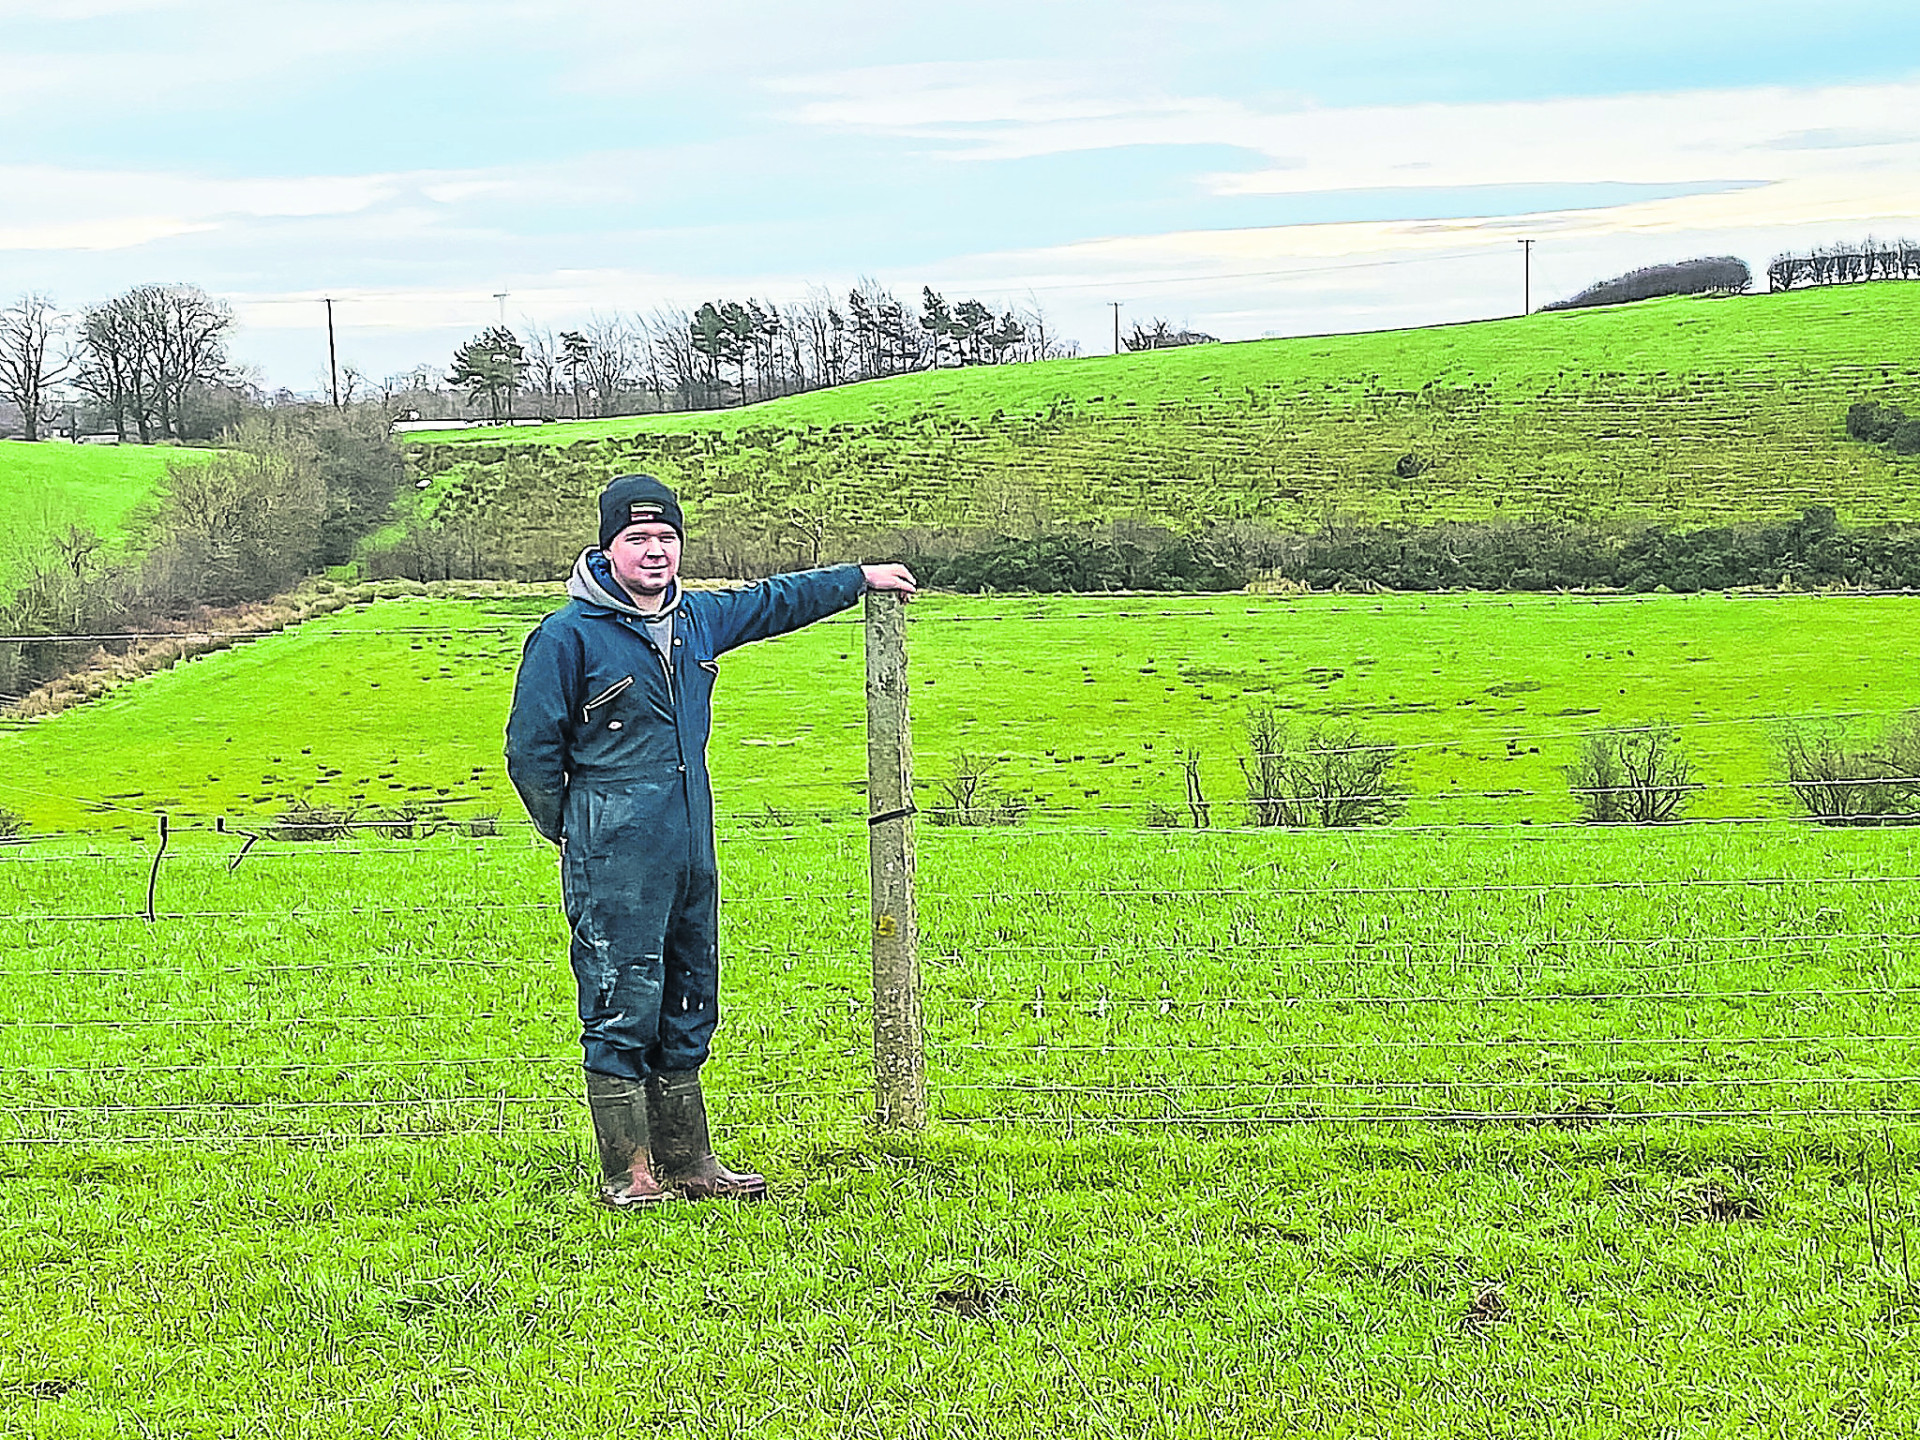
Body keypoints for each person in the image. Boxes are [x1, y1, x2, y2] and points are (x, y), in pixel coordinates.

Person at [505, 474, 917, 1209]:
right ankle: (627, 1171)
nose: (655, 552)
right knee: (620, 994)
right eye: (637, 540)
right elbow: (530, 749)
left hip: (692, 842)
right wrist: (567, 828)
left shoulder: (695, 620)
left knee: (691, 993)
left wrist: (859, 579)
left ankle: (689, 1160)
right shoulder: (567, 635)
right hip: (614, 847)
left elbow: (772, 602)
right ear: (606, 551)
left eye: (666, 538)